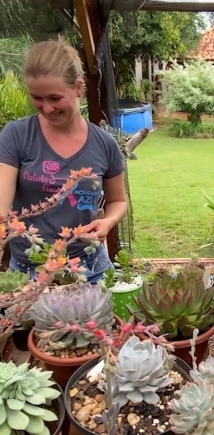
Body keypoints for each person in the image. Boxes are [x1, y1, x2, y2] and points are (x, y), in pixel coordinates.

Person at [0, 39, 127, 283]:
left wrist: (108, 221)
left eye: (55, 98)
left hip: (89, 269)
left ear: (78, 87)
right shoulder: (16, 135)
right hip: (29, 272)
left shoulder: (104, 144)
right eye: (37, 98)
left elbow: (118, 200)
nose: (47, 108)